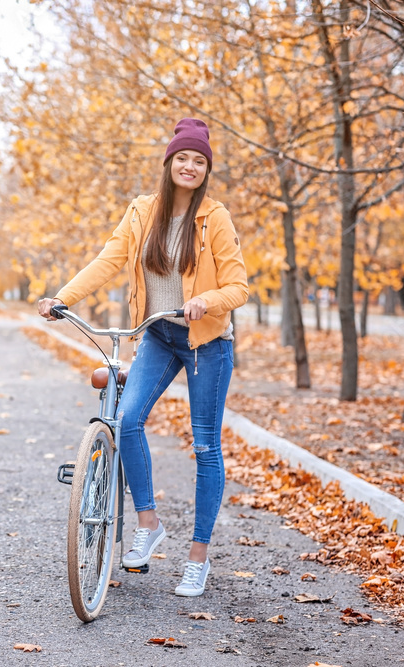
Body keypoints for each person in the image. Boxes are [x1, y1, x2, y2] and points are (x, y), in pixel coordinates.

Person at [38, 118, 248, 597]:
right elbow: (109, 260)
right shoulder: (141, 212)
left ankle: (198, 556)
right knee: (127, 420)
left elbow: (239, 286)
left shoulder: (214, 218)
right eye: (183, 158)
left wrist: (206, 301)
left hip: (206, 343)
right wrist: (63, 297)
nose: (190, 166)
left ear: (206, 169)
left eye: (199, 161)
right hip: (156, 335)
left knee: (206, 446)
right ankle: (149, 524)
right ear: (169, 162)